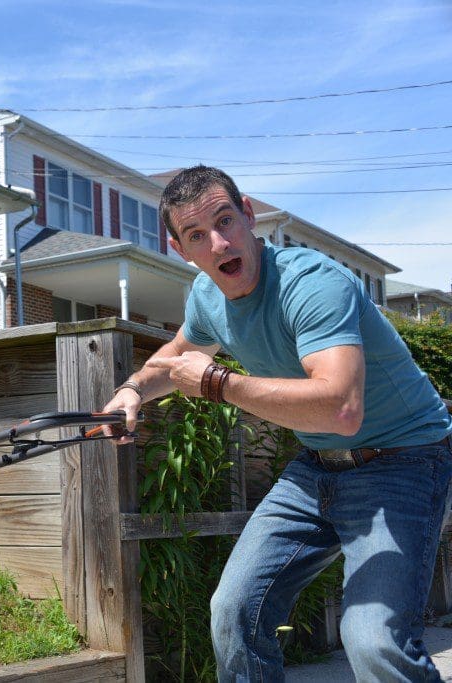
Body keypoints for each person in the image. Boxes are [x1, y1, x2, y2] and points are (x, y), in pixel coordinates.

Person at [102, 165, 452, 682]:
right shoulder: (206, 297)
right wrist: (131, 390)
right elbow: (175, 359)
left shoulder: (311, 284)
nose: (219, 244)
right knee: (234, 610)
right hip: (316, 469)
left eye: (225, 222)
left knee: (373, 639)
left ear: (248, 217)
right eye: (198, 235)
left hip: (403, 461)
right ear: (181, 249)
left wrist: (218, 382)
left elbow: (341, 408)